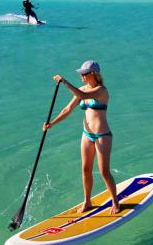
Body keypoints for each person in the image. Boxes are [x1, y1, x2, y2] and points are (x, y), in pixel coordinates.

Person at [43, 60, 120, 214]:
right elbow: (68, 109)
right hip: (87, 135)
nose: (81, 76)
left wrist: (65, 82)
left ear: (93, 74)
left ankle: (116, 202)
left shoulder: (101, 91)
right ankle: (87, 201)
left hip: (102, 135)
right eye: (81, 74)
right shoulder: (82, 88)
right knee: (85, 170)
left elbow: (83, 95)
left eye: (84, 74)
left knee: (104, 171)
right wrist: (52, 123)